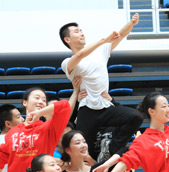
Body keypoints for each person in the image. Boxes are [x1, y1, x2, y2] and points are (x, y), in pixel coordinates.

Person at [59, 14, 143, 161]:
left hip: (106, 107)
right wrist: (103, 40)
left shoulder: (100, 52)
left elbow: (120, 35)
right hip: (87, 110)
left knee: (135, 117)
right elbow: (80, 56)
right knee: (84, 151)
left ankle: (110, 151)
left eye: (81, 30)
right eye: (76, 32)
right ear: (67, 40)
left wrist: (131, 23)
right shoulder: (67, 62)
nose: (82, 33)